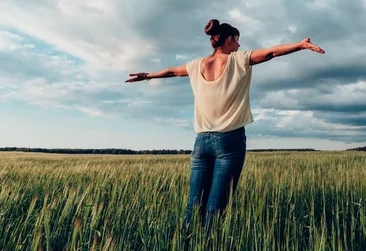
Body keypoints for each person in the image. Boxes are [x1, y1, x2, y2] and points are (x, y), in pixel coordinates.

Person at [125, 19, 325, 231]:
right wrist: (300, 45)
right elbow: (270, 53)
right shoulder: (238, 59)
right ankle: (210, 244)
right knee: (216, 208)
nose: (239, 45)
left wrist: (147, 76)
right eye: (238, 41)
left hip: (201, 142)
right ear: (230, 39)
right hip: (229, 140)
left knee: (194, 205)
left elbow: (172, 71)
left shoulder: (196, 65)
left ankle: (188, 243)